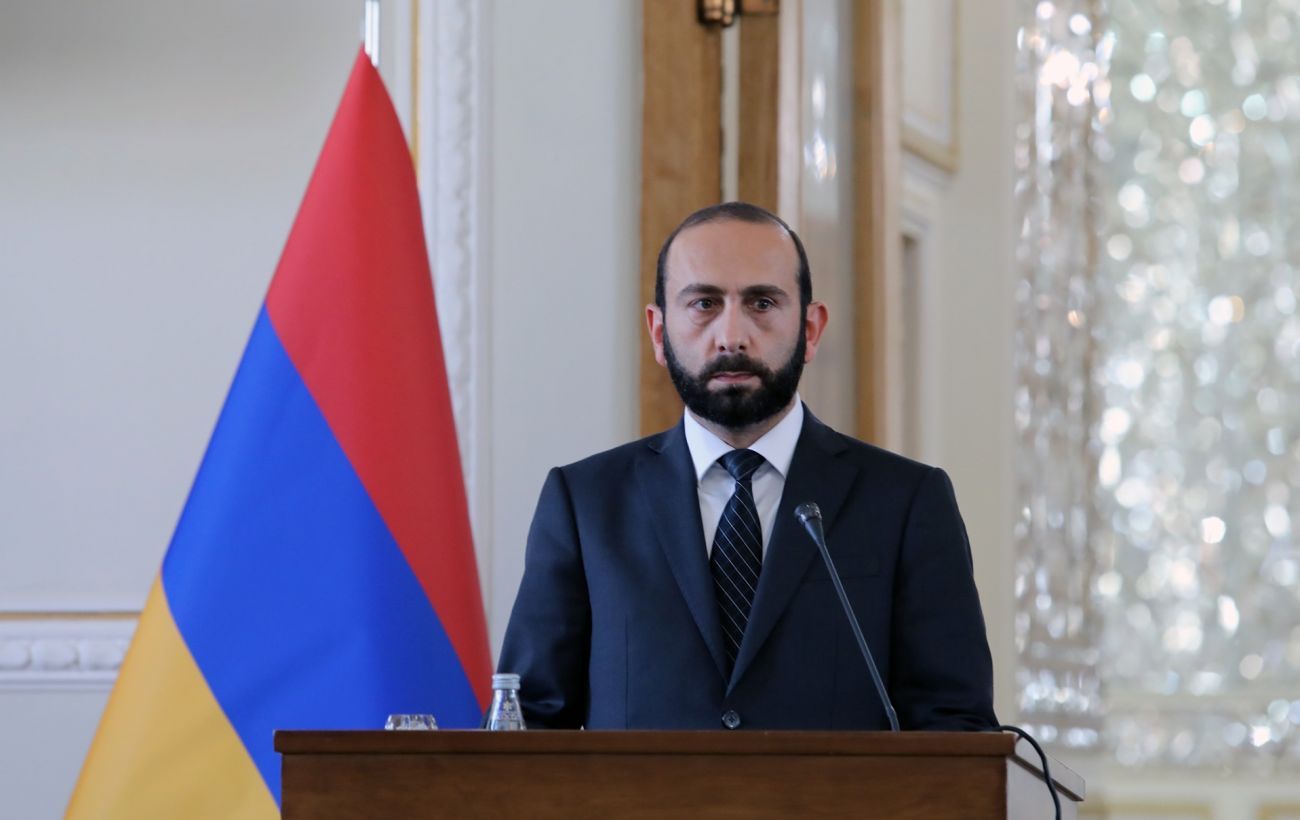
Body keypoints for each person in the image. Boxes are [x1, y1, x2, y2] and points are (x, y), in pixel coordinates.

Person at [497, 202, 997, 731]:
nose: (732, 336)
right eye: (704, 304)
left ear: (810, 329)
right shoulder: (585, 505)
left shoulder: (906, 503)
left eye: (761, 303)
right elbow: (525, 727)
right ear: (658, 332)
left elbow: (956, 731)